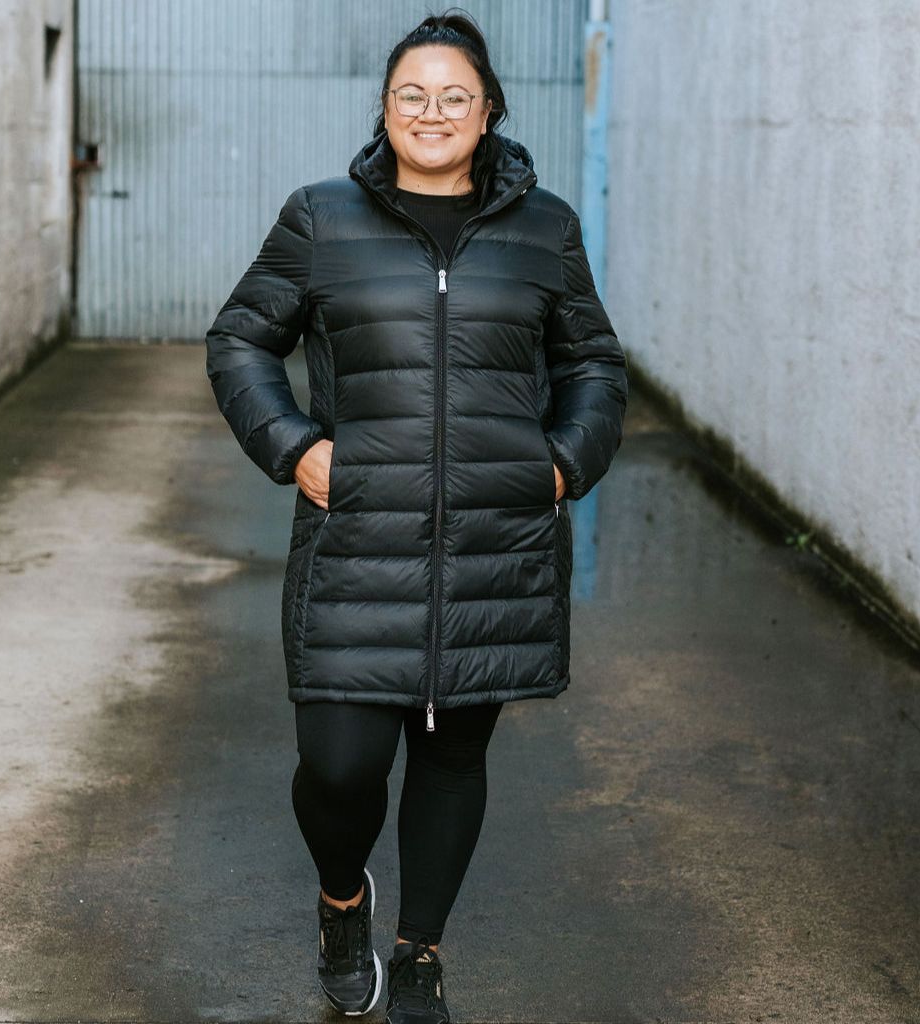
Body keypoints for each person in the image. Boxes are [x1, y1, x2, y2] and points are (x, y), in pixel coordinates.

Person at [205, 10, 628, 1022]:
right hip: (356, 545)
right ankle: (342, 897)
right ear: (384, 109)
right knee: (339, 764)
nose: (431, 112)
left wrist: (565, 464)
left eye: (453, 96)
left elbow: (592, 364)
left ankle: (420, 955)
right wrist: (296, 446)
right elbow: (238, 342)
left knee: (451, 755)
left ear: (489, 113)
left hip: (493, 546)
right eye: (411, 94)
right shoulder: (320, 218)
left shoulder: (546, 229)